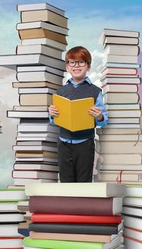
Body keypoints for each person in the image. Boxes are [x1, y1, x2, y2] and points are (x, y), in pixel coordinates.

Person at [48, 46, 108, 182]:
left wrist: (99, 116)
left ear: (88, 66)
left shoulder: (95, 91)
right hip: (64, 143)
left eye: (81, 62)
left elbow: (103, 120)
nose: (76, 66)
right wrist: (52, 114)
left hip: (84, 144)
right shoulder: (61, 91)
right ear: (67, 67)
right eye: (72, 62)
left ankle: (82, 203)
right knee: (65, 180)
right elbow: (53, 121)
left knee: (83, 181)